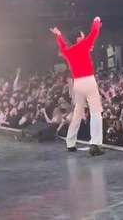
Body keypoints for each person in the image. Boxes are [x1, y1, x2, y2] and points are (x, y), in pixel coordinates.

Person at [51, 17, 104, 156]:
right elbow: (94, 32)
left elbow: (63, 47)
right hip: (89, 81)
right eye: (83, 35)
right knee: (96, 112)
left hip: (77, 84)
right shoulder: (84, 45)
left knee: (77, 112)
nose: (85, 36)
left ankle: (70, 143)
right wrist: (96, 21)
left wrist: (58, 35)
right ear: (79, 39)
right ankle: (95, 143)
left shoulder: (69, 51)